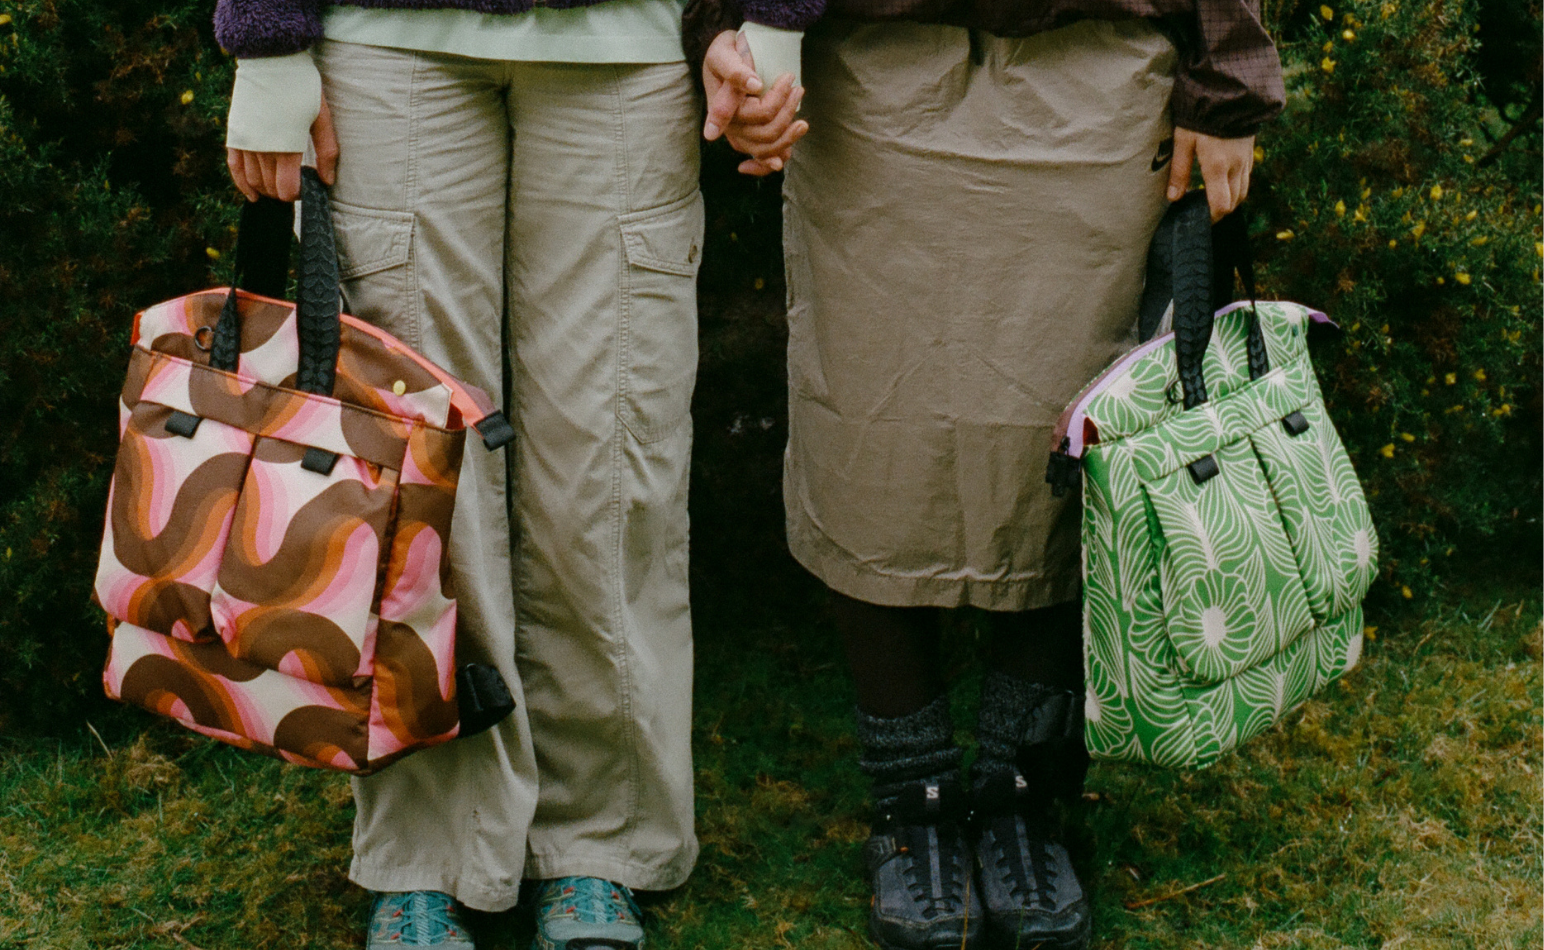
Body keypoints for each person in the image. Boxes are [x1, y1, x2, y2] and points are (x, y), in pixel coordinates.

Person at [689, 3, 1284, 948]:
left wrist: (1228, 83)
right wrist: (723, 20)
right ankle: (911, 798)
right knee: (873, 435)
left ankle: (1021, 793)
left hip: (1094, 67)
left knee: (1065, 431)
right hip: (874, 68)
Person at [215, 2, 711, 947]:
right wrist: (266, 37)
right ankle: (429, 845)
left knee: (608, 465)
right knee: (414, 478)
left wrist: (771, 19)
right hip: (389, 37)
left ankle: (600, 838)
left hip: (627, 44)